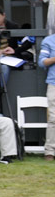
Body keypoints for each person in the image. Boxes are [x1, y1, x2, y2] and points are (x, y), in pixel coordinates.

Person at [38, 31, 55, 160]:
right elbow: (41, 62)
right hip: (53, 83)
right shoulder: (48, 41)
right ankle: (50, 151)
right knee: (53, 119)